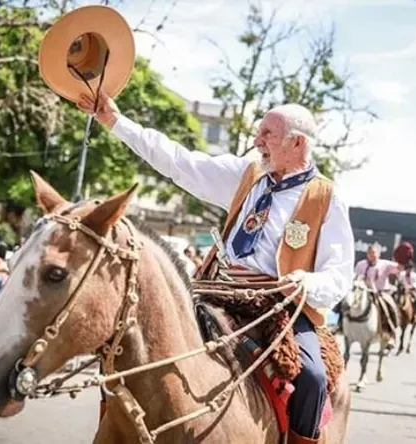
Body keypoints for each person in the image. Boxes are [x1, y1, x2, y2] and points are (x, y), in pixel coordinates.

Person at [77, 91, 354, 443]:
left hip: (279, 305)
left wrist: (305, 282)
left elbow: (339, 274)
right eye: (259, 132)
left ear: (297, 143)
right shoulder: (247, 173)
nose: (257, 141)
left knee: (312, 378)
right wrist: (116, 122)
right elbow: (179, 161)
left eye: (267, 134)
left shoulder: (327, 198)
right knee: (125, 342)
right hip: (214, 289)